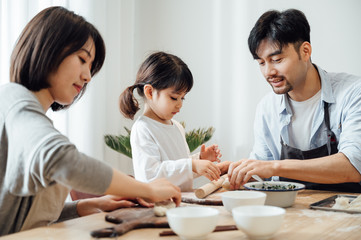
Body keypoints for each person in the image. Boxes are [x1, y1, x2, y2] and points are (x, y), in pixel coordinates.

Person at [0, 6, 181, 236]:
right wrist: (146, 189)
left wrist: (83, 206)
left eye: (91, 67)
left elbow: (21, 217)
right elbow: (64, 162)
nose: (87, 76)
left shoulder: (24, 111)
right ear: (49, 50)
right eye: (82, 59)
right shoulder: (14, 101)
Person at [227, 9, 361, 192]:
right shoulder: (267, 108)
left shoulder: (353, 93)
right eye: (261, 63)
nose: (268, 72)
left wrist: (274, 167)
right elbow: (261, 171)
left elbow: (353, 167)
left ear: (305, 51)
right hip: (292, 215)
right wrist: (238, 170)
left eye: (276, 59)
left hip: (347, 214)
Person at [119, 51, 223, 191]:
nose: (180, 104)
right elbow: (150, 175)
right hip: (158, 207)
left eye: (183, 98)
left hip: (181, 202)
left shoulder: (177, 126)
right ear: (149, 92)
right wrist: (192, 164)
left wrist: (200, 159)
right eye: (174, 98)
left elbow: (179, 172)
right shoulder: (143, 128)